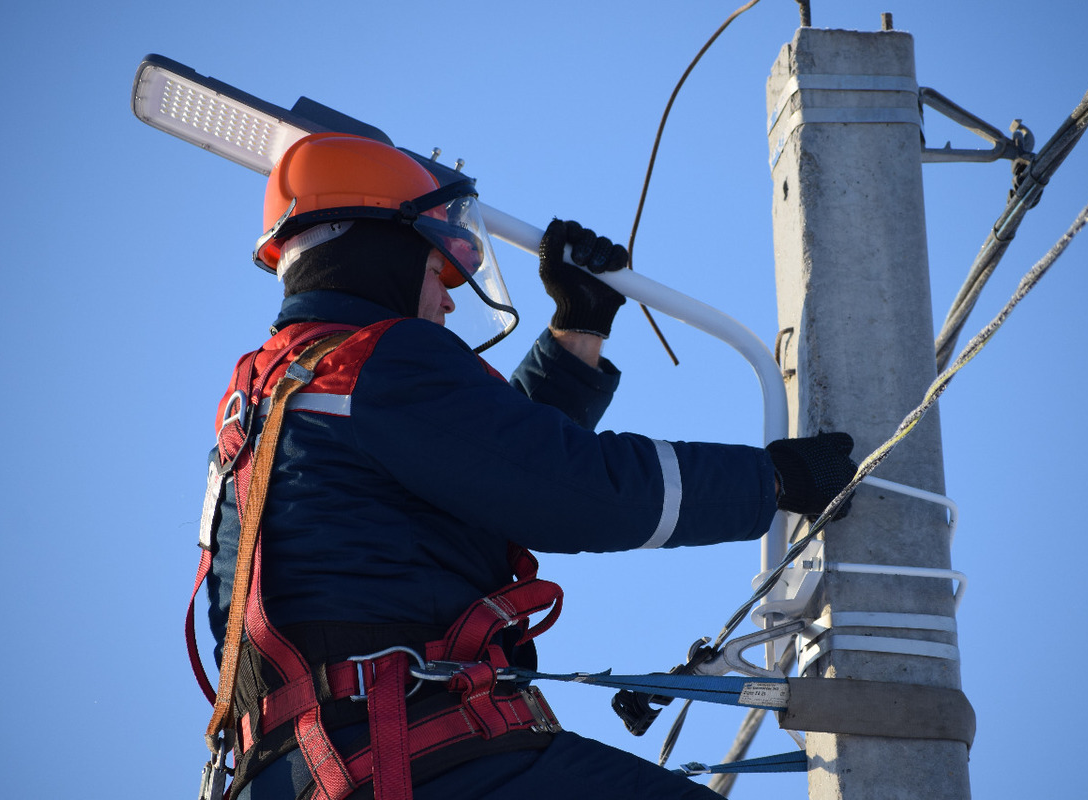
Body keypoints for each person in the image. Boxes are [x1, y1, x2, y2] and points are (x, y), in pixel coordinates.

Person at [196, 132, 858, 800]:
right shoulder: (380, 362)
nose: (449, 300)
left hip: (308, 771)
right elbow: (569, 489)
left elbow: (483, 468)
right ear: (382, 254)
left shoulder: (275, 395)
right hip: (417, 760)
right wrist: (777, 481)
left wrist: (579, 332)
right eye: (436, 271)